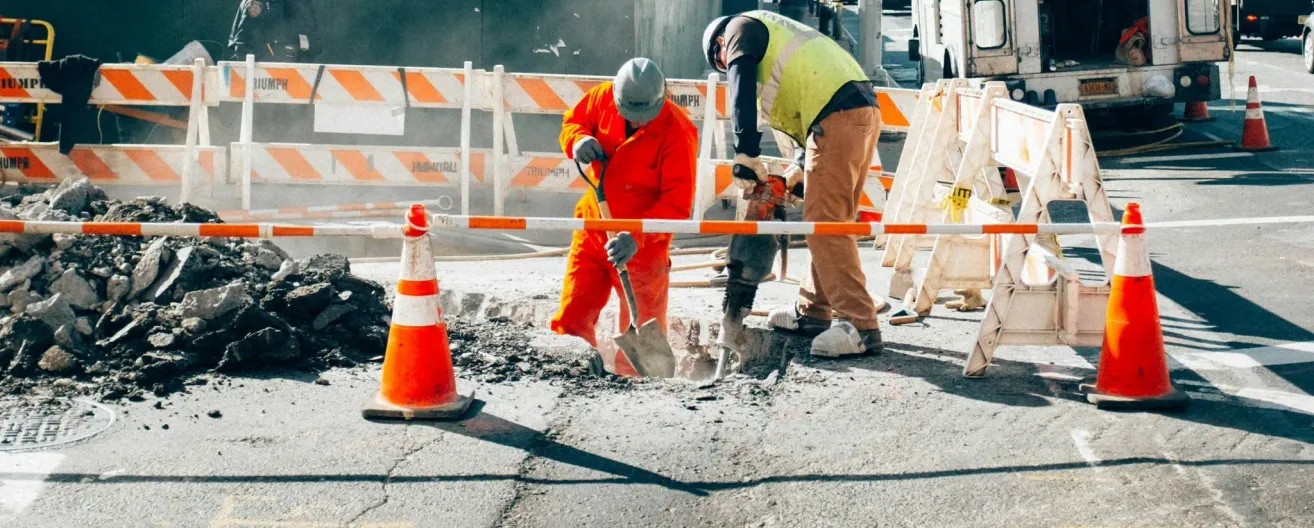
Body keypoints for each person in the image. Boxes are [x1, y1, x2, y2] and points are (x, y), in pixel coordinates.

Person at [702, 10, 884, 357]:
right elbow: (809, 95)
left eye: (722, 62)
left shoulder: (739, 28)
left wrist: (745, 153)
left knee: (826, 224)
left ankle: (860, 325)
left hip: (839, 115)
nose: (726, 68)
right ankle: (813, 310)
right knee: (827, 218)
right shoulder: (780, 35)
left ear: (721, 44)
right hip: (854, 109)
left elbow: (739, 85)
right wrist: (801, 165)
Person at [550, 58, 699, 376]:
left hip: (642, 247)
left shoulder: (678, 131)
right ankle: (571, 372)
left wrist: (636, 236)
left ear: (660, 99)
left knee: (642, 322)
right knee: (574, 311)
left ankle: (638, 390)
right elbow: (572, 123)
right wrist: (577, 140)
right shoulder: (602, 97)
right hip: (594, 228)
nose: (635, 120)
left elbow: (677, 204)